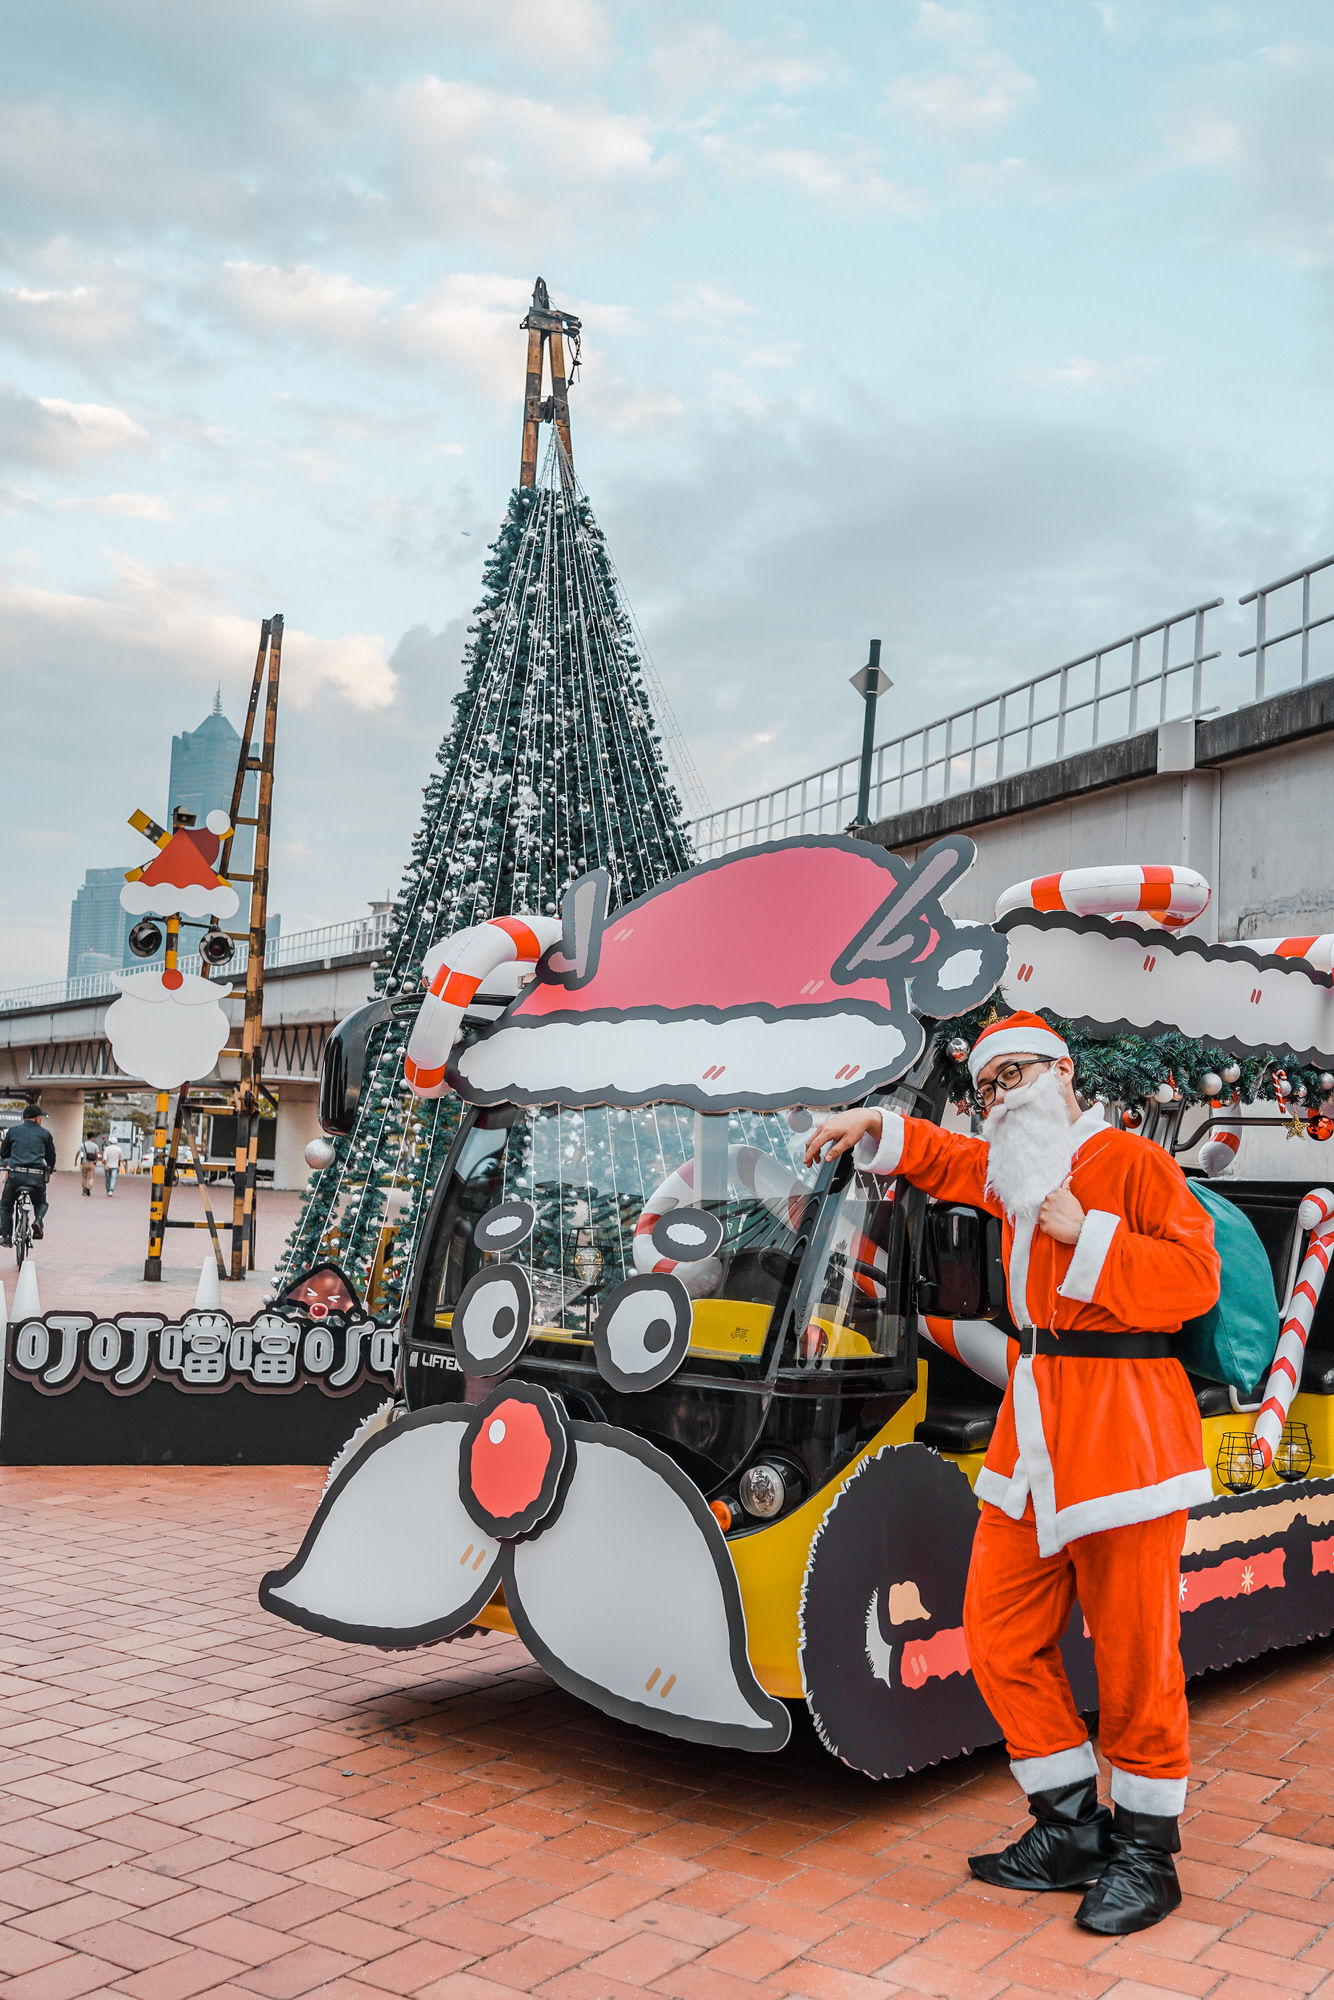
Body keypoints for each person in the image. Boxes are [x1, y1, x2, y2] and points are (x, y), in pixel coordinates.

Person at [805, 1010, 1219, 1938]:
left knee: (1134, 1653)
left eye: (1016, 1075)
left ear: (1065, 1076)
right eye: (989, 1085)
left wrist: (1093, 1233)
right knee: (995, 1632)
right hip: (1033, 1435)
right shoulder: (1015, 1173)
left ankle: (1146, 1853)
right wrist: (876, 1127)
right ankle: (1070, 1827)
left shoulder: (1134, 1165)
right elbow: (951, 1161)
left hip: (1123, 1435)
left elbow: (1197, 1282)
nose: (1000, 1097)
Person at [0, 1104, 57, 1246]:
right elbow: (51, 1157)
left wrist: (9, 1159)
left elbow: (4, 1153)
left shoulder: (13, 1131)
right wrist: (50, 1167)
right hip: (36, 1177)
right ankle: (38, 1220)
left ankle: (6, 1237)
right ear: (37, 1119)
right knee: (40, 1203)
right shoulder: (45, 1134)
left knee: (6, 1206)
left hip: (15, 1175)